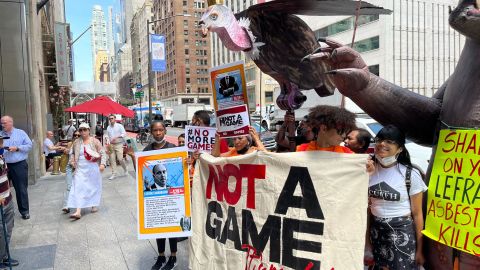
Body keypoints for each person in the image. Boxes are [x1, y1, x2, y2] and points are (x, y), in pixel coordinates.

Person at [367, 125, 427, 269]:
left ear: (400, 148)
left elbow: (418, 214)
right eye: (379, 140)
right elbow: (365, 209)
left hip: (402, 233)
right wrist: (366, 243)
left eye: (390, 141)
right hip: (376, 232)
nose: (382, 144)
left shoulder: (410, 174)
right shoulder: (367, 170)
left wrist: (420, 250)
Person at [141, 121, 179, 270]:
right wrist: (133, 157)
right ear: (151, 132)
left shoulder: (173, 149)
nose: (158, 133)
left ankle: (173, 256)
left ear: (165, 131)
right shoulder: (146, 151)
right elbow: (141, 172)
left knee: (172, 227)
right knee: (159, 226)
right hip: (155, 198)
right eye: (155, 130)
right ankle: (161, 256)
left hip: (171, 196)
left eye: (160, 130)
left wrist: (188, 161)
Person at [67, 123, 107, 220]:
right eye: (80, 130)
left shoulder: (95, 141)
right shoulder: (76, 142)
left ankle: (93, 204)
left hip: (92, 167)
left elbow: (102, 152)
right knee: (79, 187)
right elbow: (71, 153)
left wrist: (102, 164)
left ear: (89, 130)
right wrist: (72, 162)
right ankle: (78, 211)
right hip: (79, 168)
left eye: (85, 130)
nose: (83, 132)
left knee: (92, 187)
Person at [0, 116, 33, 220]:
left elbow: (29, 145)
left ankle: (24, 211)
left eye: (4, 123)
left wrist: (17, 148)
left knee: (21, 189)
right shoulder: (0, 135)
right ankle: (4, 211)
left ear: (11, 122)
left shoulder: (20, 133)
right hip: (3, 165)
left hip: (19, 165)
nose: (2, 125)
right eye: (1, 123)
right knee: (2, 189)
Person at [0, 134, 20, 268]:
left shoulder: (2, 157)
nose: (2, 145)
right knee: (1, 232)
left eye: (1, 141)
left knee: (8, 229)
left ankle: (4, 256)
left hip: (7, 199)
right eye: (0, 142)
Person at [61, 131, 80, 214]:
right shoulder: (70, 144)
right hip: (70, 167)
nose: (76, 136)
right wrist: (65, 150)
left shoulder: (83, 144)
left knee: (80, 187)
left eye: (78, 135)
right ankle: (66, 206)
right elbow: (67, 152)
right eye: (75, 135)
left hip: (79, 168)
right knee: (69, 186)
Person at [106, 114, 127, 180]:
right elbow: (107, 135)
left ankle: (125, 169)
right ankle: (114, 173)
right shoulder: (108, 127)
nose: (110, 120)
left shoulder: (119, 126)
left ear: (115, 119)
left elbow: (124, 133)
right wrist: (107, 140)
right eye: (109, 119)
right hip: (111, 145)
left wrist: (117, 137)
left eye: (112, 118)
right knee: (112, 159)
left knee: (120, 158)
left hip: (119, 144)